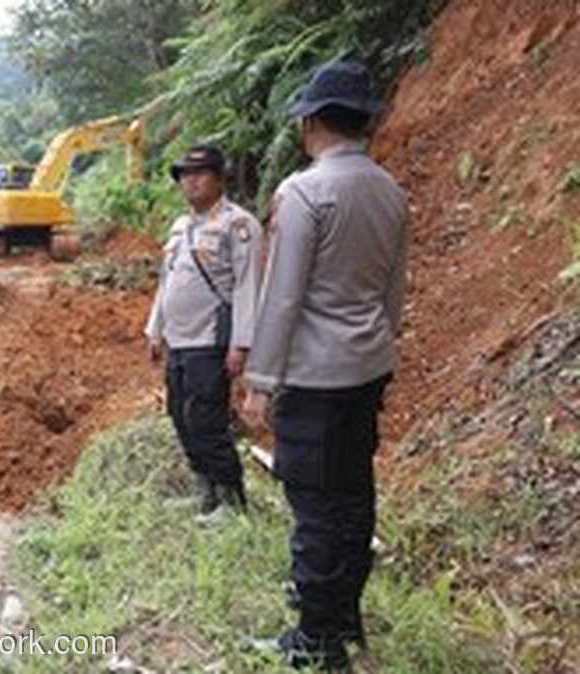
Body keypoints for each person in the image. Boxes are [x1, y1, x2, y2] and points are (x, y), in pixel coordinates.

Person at [242, 59, 409, 670]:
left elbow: (283, 295)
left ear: (311, 123)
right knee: (353, 494)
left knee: (313, 503)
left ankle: (315, 640)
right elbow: (394, 290)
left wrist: (261, 381)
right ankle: (345, 617)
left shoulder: (306, 192)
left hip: (315, 375)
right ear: (364, 123)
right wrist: (375, 344)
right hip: (367, 368)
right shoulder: (390, 191)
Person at [145, 144, 263, 523]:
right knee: (181, 413)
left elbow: (247, 286)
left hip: (211, 340)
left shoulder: (238, 224)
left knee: (207, 418)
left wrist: (241, 344)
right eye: (184, 176)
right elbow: (167, 281)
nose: (190, 182)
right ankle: (205, 490)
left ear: (219, 178)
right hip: (179, 339)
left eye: (200, 174)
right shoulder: (181, 227)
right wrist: (155, 329)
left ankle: (231, 497)